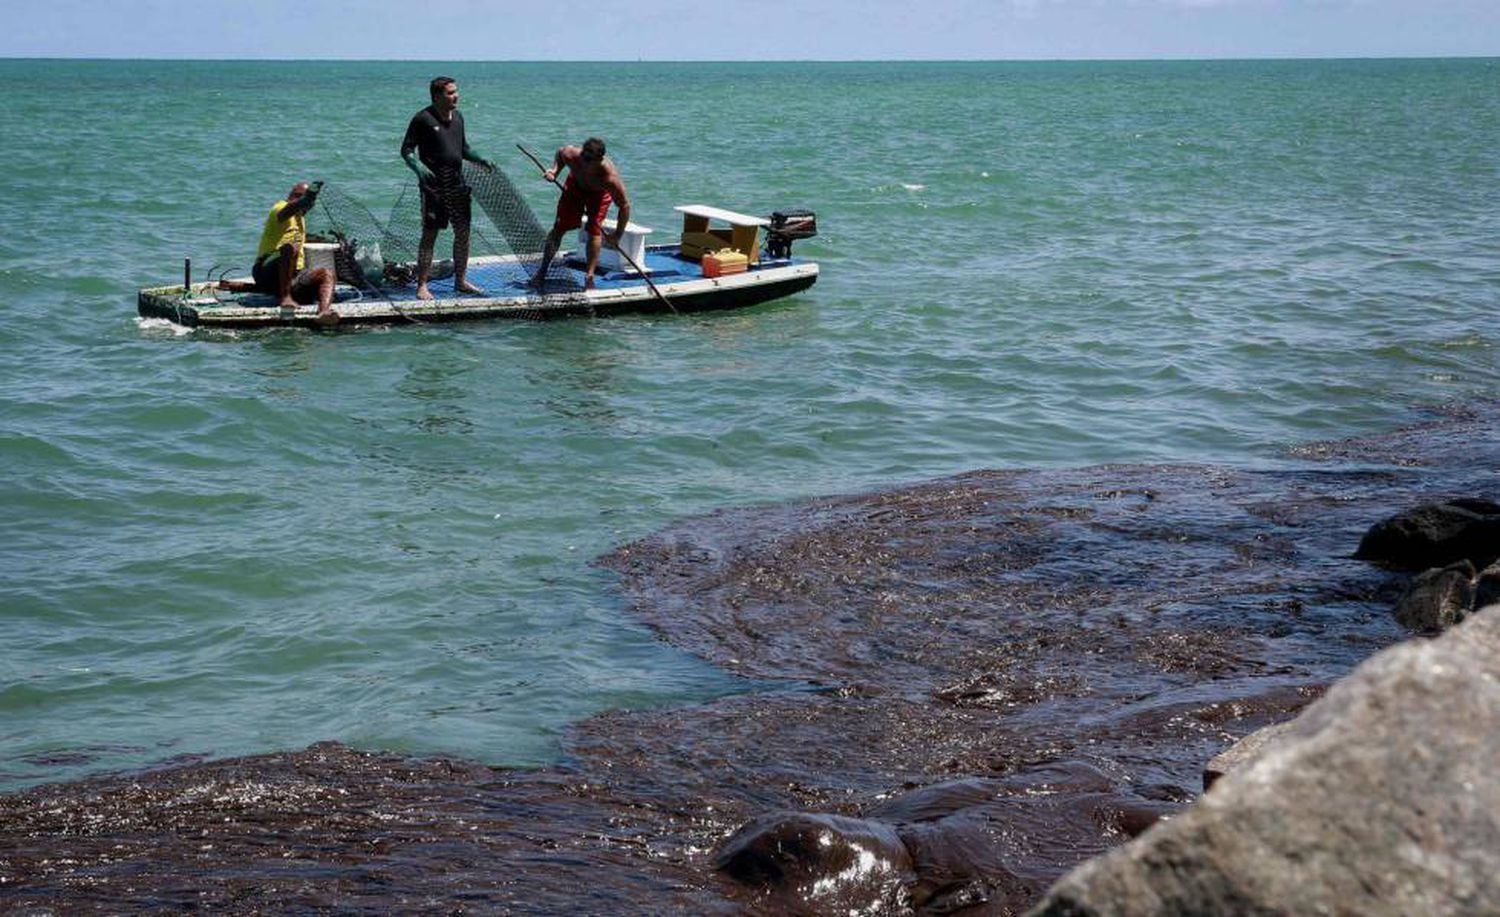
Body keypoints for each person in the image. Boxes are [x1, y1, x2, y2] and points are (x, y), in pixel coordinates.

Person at [400, 76, 495, 300]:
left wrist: (480, 159)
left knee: (463, 233)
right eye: (450, 93)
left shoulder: (459, 117)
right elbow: (406, 150)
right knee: (430, 234)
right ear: (437, 96)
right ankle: (422, 285)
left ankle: (460, 281)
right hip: (434, 186)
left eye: (456, 91)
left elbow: (464, 149)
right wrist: (418, 168)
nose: (456, 96)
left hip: (457, 183)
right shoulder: (422, 119)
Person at [533, 137, 631, 291]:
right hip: (575, 187)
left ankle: (589, 276)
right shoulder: (573, 155)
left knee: (594, 230)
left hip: (598, 195)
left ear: (599, 160)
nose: (584, 161)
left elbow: (624, 207)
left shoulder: (609, 178)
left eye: (589, 159)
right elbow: (560, 153)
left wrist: (617, 236)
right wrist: (555, 171)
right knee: (560, 227)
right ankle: (542, 271)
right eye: (583, 157)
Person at [253, 180, 338, 325]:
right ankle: (285, 297)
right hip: (266, 272)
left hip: (293, 276)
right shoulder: (280, 208)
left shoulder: (300, 218)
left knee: (327, 273)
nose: (310, 206)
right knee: (290, 247)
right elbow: (287, 212)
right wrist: (308, 197)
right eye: (305, 200)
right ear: (295, 197)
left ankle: (324, 312)